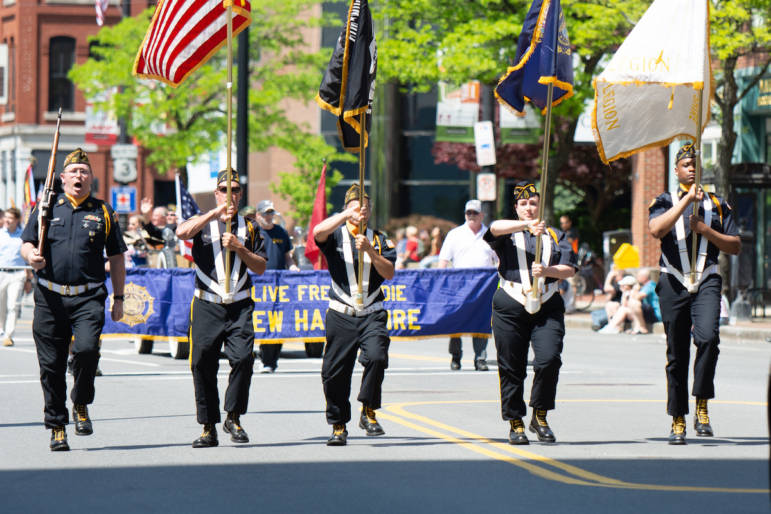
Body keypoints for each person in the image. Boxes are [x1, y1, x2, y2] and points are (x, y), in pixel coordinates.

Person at [20, 148, 126, 451]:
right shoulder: (46, 207)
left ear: (91, 178)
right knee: (51, 366)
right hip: (49, 297)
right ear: (63, 177)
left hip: (88, 297)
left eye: (84, 171)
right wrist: (32, 256)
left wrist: (119, 298)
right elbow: (26, 243)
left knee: (87, 351)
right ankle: (57, 426)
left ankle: (80, 401)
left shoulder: (103, 211)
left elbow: (117, 257)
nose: (79, 175)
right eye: (74, 171)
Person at [648, 143, 740, 445]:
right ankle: (678, 418)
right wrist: (687, 200)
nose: (691, 168)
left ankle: (701, 402)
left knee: (708, 338)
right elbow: (656, 230)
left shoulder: (718, 203)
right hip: (673, 280)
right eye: (685, 164)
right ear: (676, 170)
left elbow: (735, 245)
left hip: (707, 278)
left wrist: (705, 230)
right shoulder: (663, 200)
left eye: (695, 164)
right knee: (677, 353)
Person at [176, 170, 267, 448]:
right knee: (202, 362)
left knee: (243, 359)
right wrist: (214, 214)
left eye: (235, 190)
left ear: (241, 194)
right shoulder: (203, 222)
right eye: (225, 189)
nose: (230, 195)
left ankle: (234, 416)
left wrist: (240, 248)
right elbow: (181, 232)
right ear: (216, 193)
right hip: (207, 302)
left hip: (239, 303)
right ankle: (208, 427)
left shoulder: (250, 227)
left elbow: (261, 267)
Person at [484, 182, 576, 445]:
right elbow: (493, 229)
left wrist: (547, 271)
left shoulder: (555, 234)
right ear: (516, 208)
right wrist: (525, 225)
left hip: (547, 301)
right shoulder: (509, 232)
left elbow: (570, 268)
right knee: (511, 366)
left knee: (549, 360)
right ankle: (515, 421)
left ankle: (540, 415)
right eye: (523, 204)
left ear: (540, 206)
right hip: (511, 302)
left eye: (533, 203)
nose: (528, 208)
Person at [312, 184, 396, 446]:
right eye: (356, 207)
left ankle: (368, 410)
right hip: (342, 311)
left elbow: (389, 273)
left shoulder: (379, 239)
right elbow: (317, 233)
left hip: (372, 311)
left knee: (377, 357)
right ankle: (338, 424)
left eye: (366, 208)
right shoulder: (335, 236)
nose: (362, 212)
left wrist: (370, 250)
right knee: (334, 372)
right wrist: (345, 216)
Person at [438, 199, 497, 371]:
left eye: (475, 213)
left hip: (483, 287)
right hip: (458, 286)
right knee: (456, 322)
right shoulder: (455, 234)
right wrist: (441, 282)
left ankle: (480, 358)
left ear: (482, 215)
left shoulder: (490, 235)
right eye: (468, 213)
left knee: (481, 321)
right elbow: (443, 260)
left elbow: (498, 259)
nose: (471, 216)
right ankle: (456, 356)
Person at [255, 199, 299, 373]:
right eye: (265, 213)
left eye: (271, 213)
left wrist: (293, 267)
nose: (269, 216)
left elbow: (288, 256)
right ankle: (264, 357)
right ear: (258, 215)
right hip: (260, 284)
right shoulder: (253, 232)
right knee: (264, 321)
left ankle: (272, 361)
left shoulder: (281, 232)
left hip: (280, 284)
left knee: (278, 322)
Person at [0, 207, 29, 347]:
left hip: (18, 274)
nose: (7, 220)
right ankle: (1, 328)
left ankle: (8, 335)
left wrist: (29, 279)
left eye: (10, 218)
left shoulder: (23, 236)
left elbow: (27, 258)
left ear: (17, 220)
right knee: (1, 305)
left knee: (13, 305)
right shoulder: (0, 234)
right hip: (1, 273)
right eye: (6, 217)